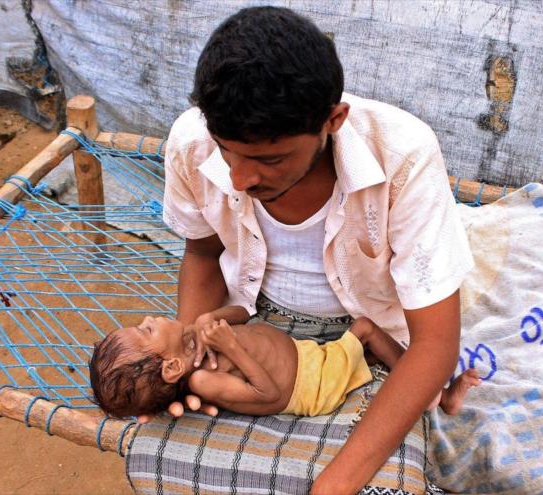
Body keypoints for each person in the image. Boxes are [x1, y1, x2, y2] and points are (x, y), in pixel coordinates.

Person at [156, 6, 474, 493]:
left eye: (270, 158)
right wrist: (188, 360)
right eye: (227, 150)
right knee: (163, 456)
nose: (239, 179)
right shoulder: (190, 143)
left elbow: (433, 345)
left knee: (378, 484)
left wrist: (336, 483)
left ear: (334, 119)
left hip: (371, 343)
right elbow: (202, 255)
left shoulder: (404, 154)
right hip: (250, 329)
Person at [89, 310, 480, 418]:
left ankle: (386, 365)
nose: (149, 320)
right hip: (311, 384)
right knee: (363, 329)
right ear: (172, 368)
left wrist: (211, 319)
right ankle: (439, 394)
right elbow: (270, 394)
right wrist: (230, 346)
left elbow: (242, 311)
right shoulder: (206, 382)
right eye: (145, 332)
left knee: (365, 345)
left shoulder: (197, 338)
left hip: (309, 356)